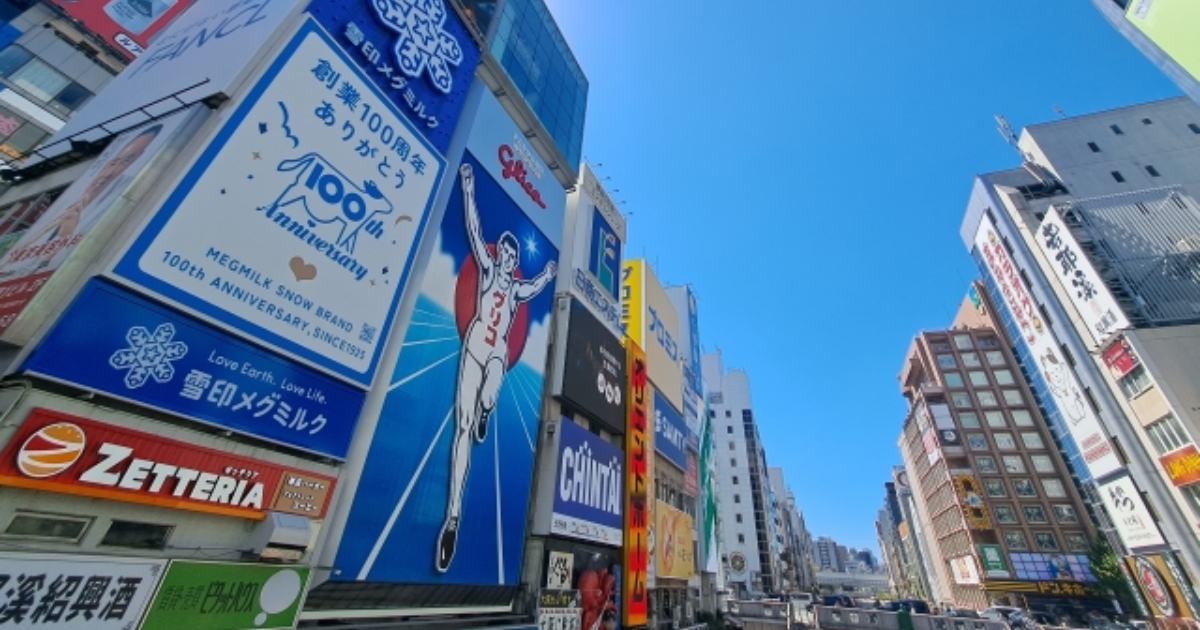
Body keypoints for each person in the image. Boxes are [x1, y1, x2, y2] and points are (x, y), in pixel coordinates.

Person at [436, 163, 556, 572]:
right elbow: (473, 230)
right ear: (499, 255)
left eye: (511, 256)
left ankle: (488, 408)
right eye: (503, 253)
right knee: (462, 428)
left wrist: (548, 275)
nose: (505, 259)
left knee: (489, 392)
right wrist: (469, 189)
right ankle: (452, 519)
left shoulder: (516, 287)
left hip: (495, 355)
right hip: (474, 349)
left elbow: (534, 287)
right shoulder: (488, 272)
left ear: (515, 260)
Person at [0, 123, 162, 279]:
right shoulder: (70, 196)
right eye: (113, 162)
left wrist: (66, 235)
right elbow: (19, 258)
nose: (109, 172)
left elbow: (70, 267)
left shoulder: (126, 199)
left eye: (127, 161)